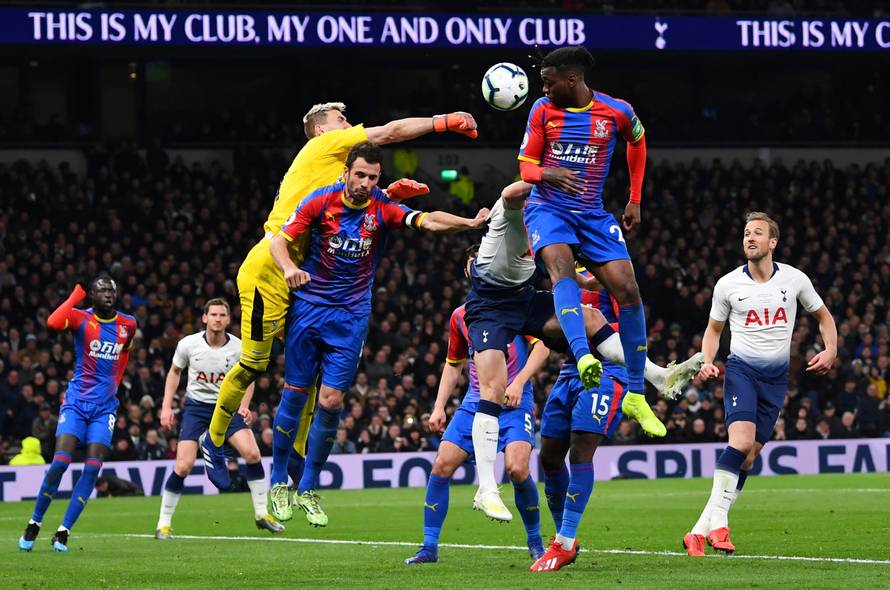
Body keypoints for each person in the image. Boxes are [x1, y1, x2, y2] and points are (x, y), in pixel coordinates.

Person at [203, 102, 479, 487]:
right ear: (322, 130)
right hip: (271, 269)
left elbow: (352, 208)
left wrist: (389, 193)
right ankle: (214, 440)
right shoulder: (324, 145)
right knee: (254, 364)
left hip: (302, 276)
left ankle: (297, 455)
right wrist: (442, 122)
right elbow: (389, 133)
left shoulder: (333, 172)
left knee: (308, 373)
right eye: (341, 120)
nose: (348, 124)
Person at [266, 141, 488, 527]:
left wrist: (469, 223)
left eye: (373, 177)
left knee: (332, 401)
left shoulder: (382, 207)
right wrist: (288, 268)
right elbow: (278, 242)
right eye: (360, 175)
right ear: (346, 173)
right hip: (310, 309)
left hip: (351, 317)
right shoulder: (320, 201)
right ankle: (277, 481)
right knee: (297, 394)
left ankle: (308, 488)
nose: (366, 183)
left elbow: (427, 220)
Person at [462, 181, 701, 521]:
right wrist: (546, 178)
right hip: (489, 305)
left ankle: (656, 375)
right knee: (494, 389)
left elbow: (578, 278)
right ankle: (486, 489)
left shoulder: (548, 228)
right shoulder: (517, 212)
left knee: (591, 317)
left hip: (523, 300)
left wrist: (605, 273)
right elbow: (509, 194)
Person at [517, 46, 661, 441]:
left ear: (572, 79)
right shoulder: (542, 111)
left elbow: (638, 141)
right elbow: (526, 167)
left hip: (592, 214)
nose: (543, 89)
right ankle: (582, 356)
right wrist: (549, 173)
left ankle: (636, 394)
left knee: (628, 290)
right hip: (548, 210)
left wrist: (634, 199)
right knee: (562, 271)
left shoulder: (616, 111)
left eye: (549, 82)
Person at [683, 212, 837, 556]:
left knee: (749, 457)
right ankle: (719, 525)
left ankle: (698, 531)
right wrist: (707, 361)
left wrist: (831, 349)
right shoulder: (727, 285)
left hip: (776, 380)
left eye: (757, 233)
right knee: (740, 443)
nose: (749, 238)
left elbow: (824, 316)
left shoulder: (794, 279)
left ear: (773, 242)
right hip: (742, 372)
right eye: (746, 234)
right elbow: (713, 331)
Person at [405, 300, 550, 565]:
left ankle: (536, 544)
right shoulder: (460, 315)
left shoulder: (516, 307)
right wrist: (439, 407)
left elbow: (543, 347)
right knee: (442, 464)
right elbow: (453, 364)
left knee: (517, 470)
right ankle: (429, 547)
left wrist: (519, 382)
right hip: (475, 403)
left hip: (514, 404)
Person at [18, 275, 137, 553]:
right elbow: (52, 322)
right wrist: (74, 296)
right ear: (92, 296)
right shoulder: (80, 317)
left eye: (111, 290)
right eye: (102, 290)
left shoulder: (128, 324)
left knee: (93, 468)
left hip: (104, 409)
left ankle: (63, 531)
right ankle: (35, 522)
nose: (108, 294)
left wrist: (115, 384)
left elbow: (125, 353)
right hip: (77, 404)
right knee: (60, 462)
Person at [156, 298, 283, 540]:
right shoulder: (188, 344)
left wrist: (244, 406)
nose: (217, 319)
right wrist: (166, 407)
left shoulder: (238, 347)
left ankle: (261, 514)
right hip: (196, 408)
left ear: (228, 319)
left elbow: (249, 378)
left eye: (222, 315)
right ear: (204, 318)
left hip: (227, 407)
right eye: (213, 314)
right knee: (183, 466)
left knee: (253, 454)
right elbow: (174, 372)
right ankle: (163, 524)